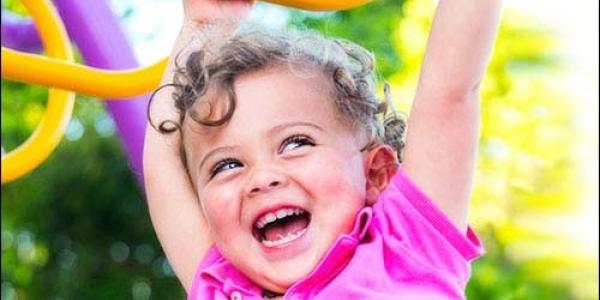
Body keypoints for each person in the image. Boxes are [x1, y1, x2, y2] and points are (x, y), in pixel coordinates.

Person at [143, 0, 503, 298]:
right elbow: (163, 169)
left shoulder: (405, 247)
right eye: (226, 166)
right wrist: (206, 24)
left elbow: (448, 94)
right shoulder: (225, 288)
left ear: (375, 171)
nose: (261, 178)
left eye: (295, 143)